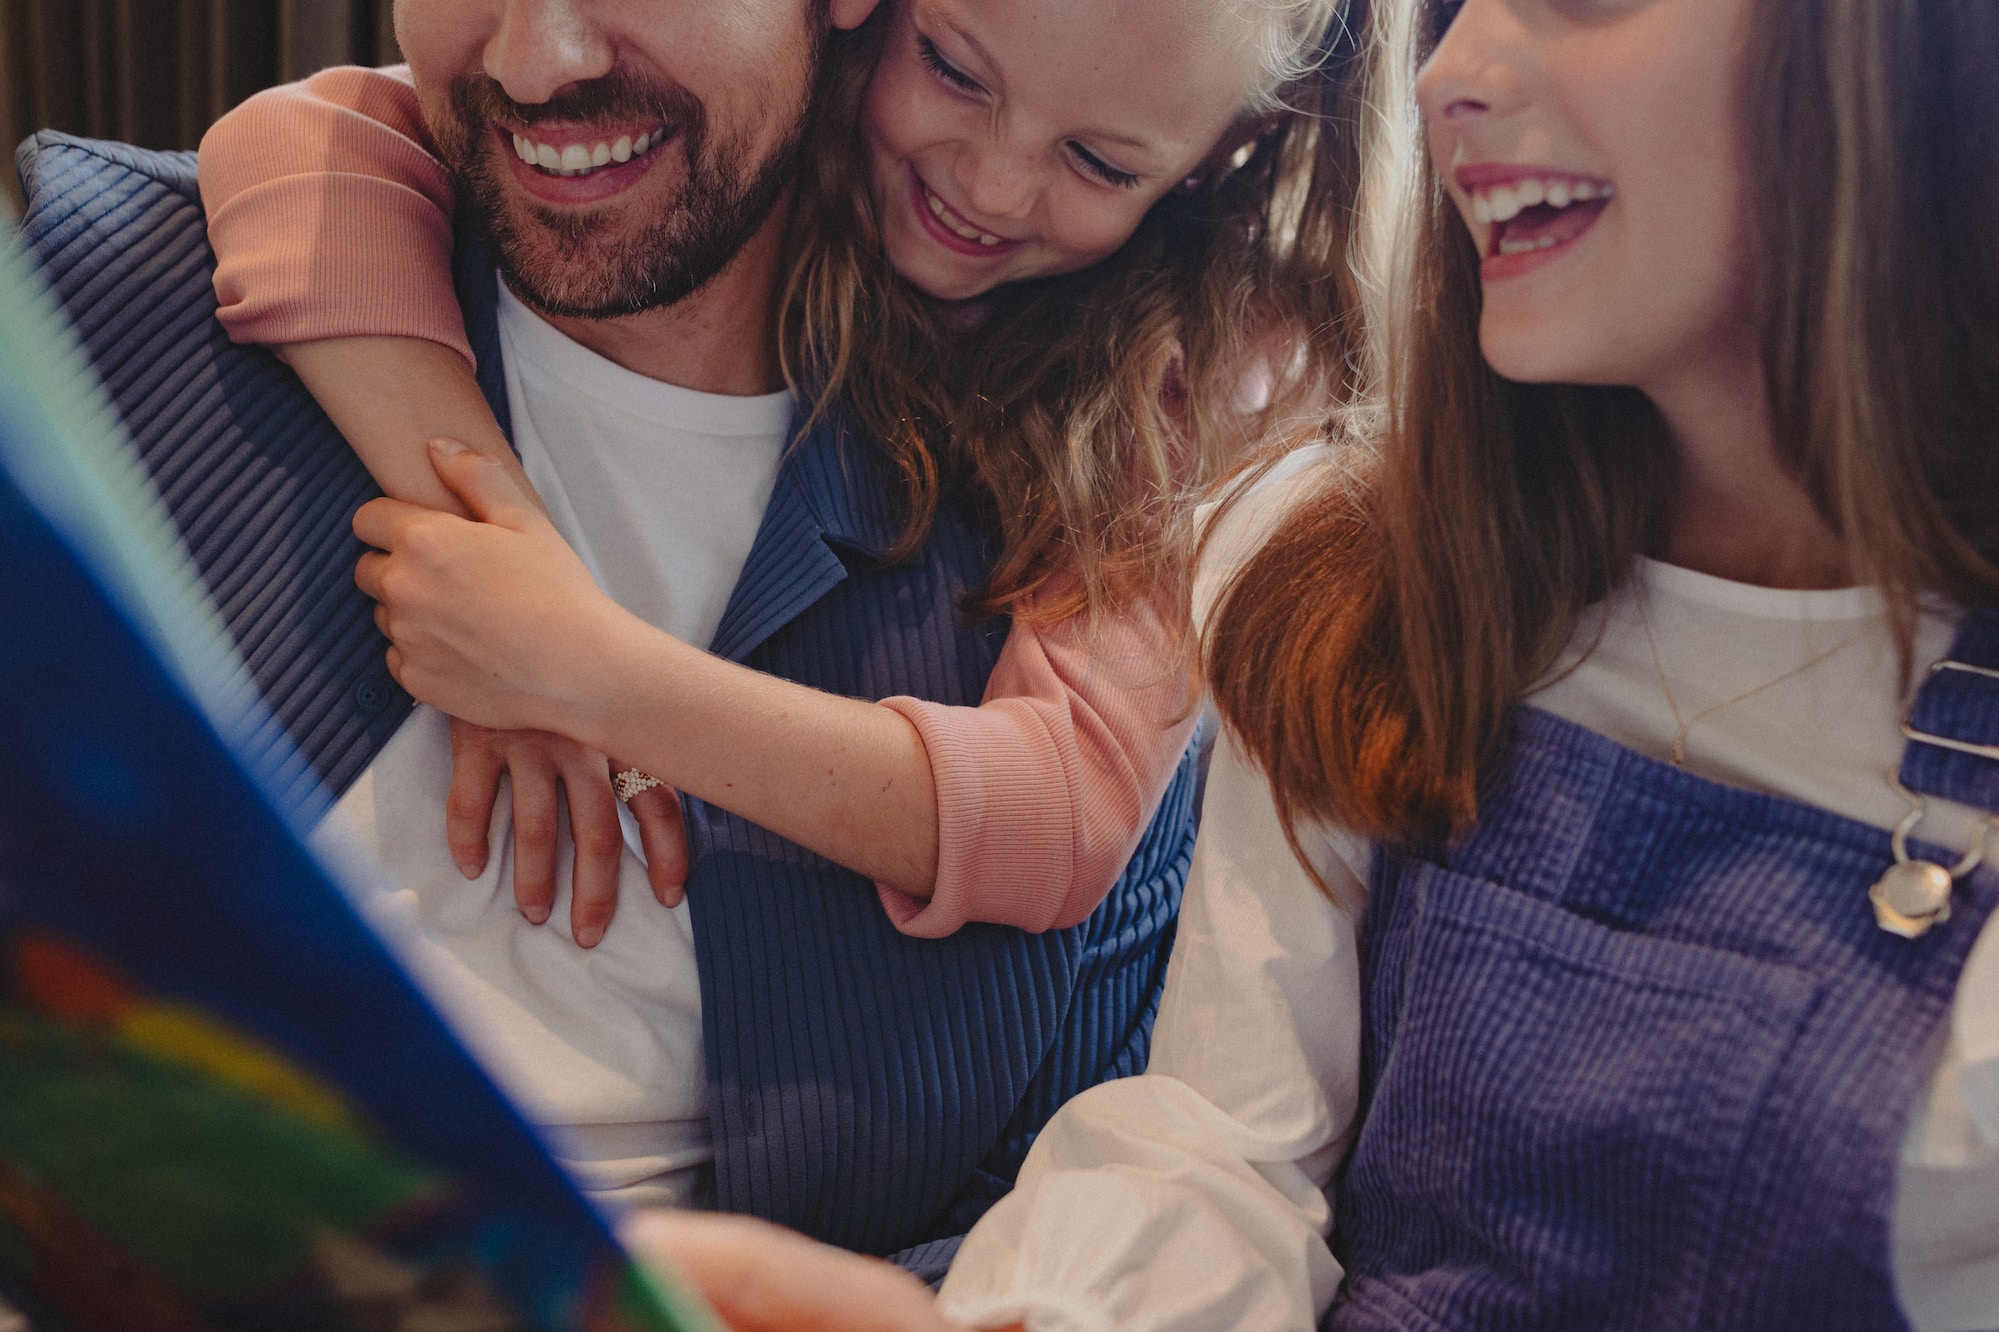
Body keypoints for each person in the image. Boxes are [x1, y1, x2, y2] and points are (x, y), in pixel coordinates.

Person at [593, 0, 1999, 1325]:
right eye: (1450, 11)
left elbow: (1054, 810)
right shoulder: (1341, 572)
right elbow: (1223, 1156)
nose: (1448, 75)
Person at [161, 0, 1371, 1268]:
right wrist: (497, 535)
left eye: (1100, 163)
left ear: (1221, 159)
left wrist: (590, 673)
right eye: (952, 72)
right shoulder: (508, 166)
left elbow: (1065, 808)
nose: (990, 182)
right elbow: (291, 143)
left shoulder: (1199, 366)